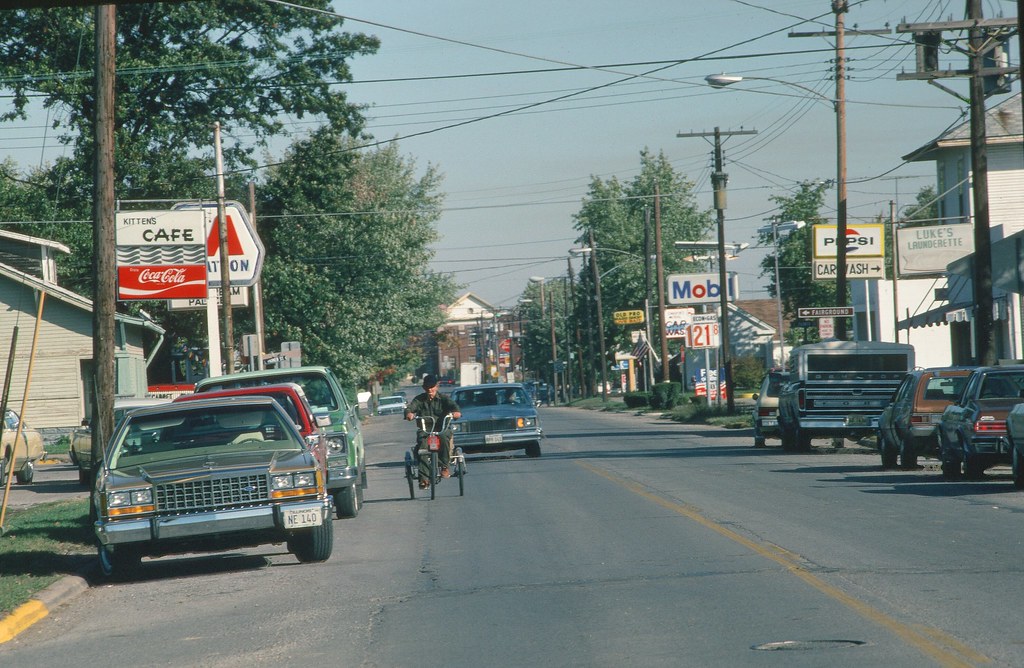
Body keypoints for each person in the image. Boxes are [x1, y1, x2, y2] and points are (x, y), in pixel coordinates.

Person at [405, 374, 461, 488]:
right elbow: (410, 407)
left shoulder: (444, 398)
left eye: (432, 386)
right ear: (424, 388)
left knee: (445, 437)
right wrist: (409, 413)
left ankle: (445, 466)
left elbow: (453, 406)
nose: (430, 389)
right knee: (422, 447)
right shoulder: (419, 399)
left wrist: (456, 412)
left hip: (442, 428)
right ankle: (424, 479)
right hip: (425, 429)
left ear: (437, 386)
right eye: (427, 387)